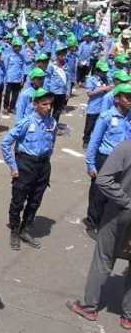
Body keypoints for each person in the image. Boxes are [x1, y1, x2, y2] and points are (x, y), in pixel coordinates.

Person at [68, 140, 131, 330]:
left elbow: (103, 179)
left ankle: (89, 307)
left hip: (120, 213)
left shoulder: (126, 147)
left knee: (103, 258)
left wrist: (126, 201)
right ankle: (128, 317)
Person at [1, 88, 57, 250]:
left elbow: (51, 142)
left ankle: (25, 229)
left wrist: (46, 159)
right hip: (25, 164)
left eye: (49, 104)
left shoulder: (52, 122)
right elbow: (5, 143)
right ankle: (14, 230)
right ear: (35, 105)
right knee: (18, 200)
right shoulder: (27, 122)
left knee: (35, 201)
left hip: (43, 165)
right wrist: (13, 166)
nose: (48, 107)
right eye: (44, 104)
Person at [83, 83, 131, 238]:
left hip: (124, 161)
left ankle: (109, 222)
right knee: (99, 193)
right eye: (127, 97)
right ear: (117, 99)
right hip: (105, 159)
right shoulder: (107, 117)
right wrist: (91, 163)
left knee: (119, 192)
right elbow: (94, 141)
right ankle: (92, 223)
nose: (130, 100)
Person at [83, 61, 113, 149]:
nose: (105, 73)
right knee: (89, 126)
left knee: (100, 127)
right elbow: (89, 93)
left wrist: (109, 88)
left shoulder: (106, 79)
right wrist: (103, 89)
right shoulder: (91, 79)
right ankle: (86, 140)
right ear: (97, 71)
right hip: (93, 107)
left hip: (104, 107)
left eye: (105, 72)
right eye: (103, 72)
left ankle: (97, 142)